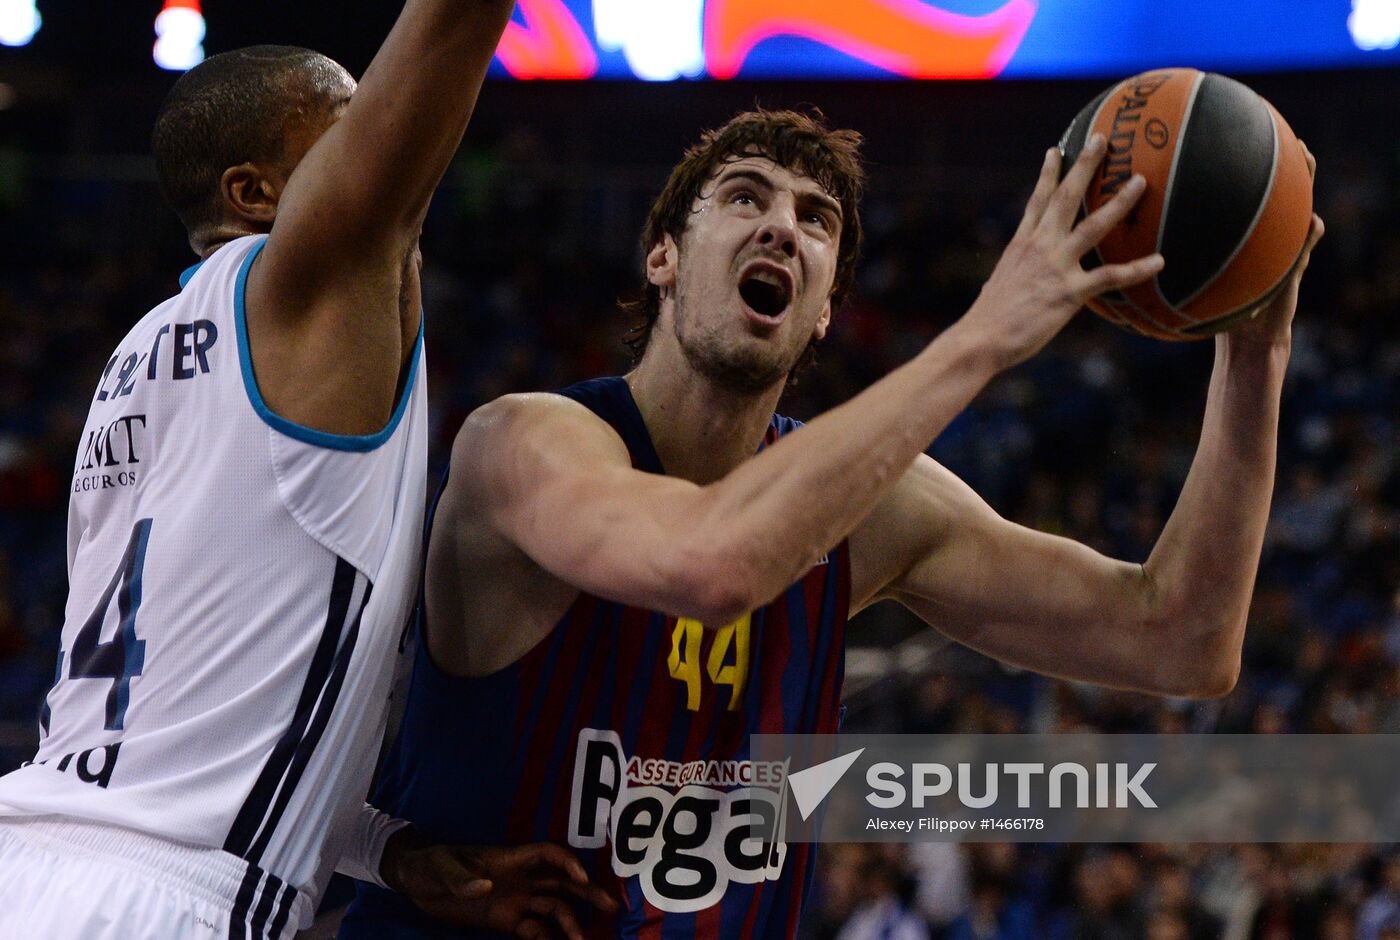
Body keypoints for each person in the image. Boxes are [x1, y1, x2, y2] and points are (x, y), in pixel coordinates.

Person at [343, 109, 1324, 936]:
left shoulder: (875, 510)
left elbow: (1181, 638)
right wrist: (983, 334)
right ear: (662, 258)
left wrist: (1252, 353)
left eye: (814, 220)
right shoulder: (523, 444)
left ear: (821, 312)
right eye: (744, 197)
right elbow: (708, 562)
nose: (781, 228)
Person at [0, 4, 607, 939]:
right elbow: (449, 29)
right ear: (256, 191)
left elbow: (197, 721)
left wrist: (384, 852)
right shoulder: (308, 285)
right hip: (166, 906)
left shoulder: (137, 358)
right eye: (347, 124)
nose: (382, 138)